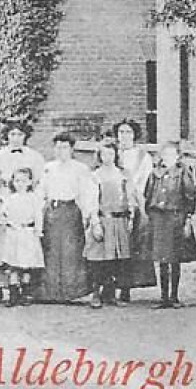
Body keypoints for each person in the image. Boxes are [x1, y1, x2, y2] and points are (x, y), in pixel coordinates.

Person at [0, 120, 45, 305]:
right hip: (4, 203)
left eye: (20, 135)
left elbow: (40, 182)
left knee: (23, 250)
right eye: (12, 135)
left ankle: (25, 290)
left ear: (25, 137)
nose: (16, 138)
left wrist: (34, 201)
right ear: (7, 136)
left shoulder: (35, 157)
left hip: (26, 205)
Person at [37, 131, 95, 303]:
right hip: (52, 212)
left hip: (71, 212)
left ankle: (71, 292)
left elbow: (86, 193)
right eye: (58, 147)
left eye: (64, 147)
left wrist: (87, 216)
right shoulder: (48, 168)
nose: (61, 151)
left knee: (71, 252)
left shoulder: (80, 168)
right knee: (52, 251)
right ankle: (51, 292)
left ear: (71, 149)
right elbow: (41, 192)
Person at [145, 140, 196, 309]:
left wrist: (187, 218)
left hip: (175, 218)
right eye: (165, 154)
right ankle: (163, 298)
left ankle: (174, 297)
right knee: (162, 259)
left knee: (175, 258)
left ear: (177, 157)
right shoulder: (155, 173)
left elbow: (190, 196)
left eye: (172, 154)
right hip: (159, 219)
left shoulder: (183, 173)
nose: (168, 158)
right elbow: (147, 194)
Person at [83, 141, 135, 308]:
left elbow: (130, 197)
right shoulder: (95, 175)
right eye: (104, 154)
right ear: (99, 156)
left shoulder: (123, 174)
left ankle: (111, 293)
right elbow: (91, 201)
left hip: (120, 220)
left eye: (111, 154)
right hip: (103, 220)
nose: (108, 158)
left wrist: (131, 218)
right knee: (99, 258)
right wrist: (95, 223)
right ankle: (96, 294)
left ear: (116, 155)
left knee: (118, 258)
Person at [110, 119, 157, 302]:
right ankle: (111, 285)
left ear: (135, 135)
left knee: (132, 246)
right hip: (114, 203)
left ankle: (127, 286)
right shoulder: (113, 154)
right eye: (121, 132)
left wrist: (133, 196)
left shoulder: (142, 156)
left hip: (135, 203)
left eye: (128, 132)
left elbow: (146, 180)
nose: (124, 136)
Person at [0, 167, 44, 305]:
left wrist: (38, 230)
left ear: (29, 182)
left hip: (27, 234)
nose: (20, 184)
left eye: (23, 181)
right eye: (17, 181)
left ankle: (26, 292)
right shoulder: (10, 199)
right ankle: (13, 294)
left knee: (26, 265)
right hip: (13, 235)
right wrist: (5, 221)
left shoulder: (33, 199)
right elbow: (2, 215)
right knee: (13, 265)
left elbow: (38, 216)